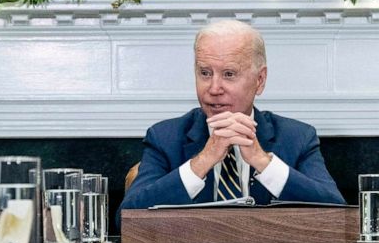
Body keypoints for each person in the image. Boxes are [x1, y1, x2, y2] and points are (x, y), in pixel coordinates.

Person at [119, 20, 344, 214]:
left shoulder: (297, 138)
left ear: (260, 80)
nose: (214, 88)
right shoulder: (165, 137)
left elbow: (338, 215)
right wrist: (203, 160)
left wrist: (262, 161)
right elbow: (127, 220)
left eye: (229, 74)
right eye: (205, 73)